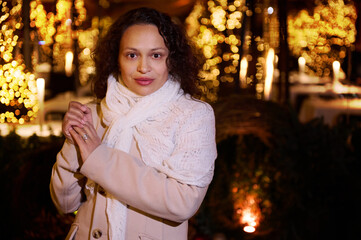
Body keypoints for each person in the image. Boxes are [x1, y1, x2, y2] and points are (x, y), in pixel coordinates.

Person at [50, 7, 217, 240]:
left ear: (172, 59)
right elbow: (66, 203)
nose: (143, 67)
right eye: (132, 55)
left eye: (156, 55)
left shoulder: (192, 115)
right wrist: (74, 140)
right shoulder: (94, 113)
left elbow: (183, 202)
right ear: (116, 59)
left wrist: (99, 157)